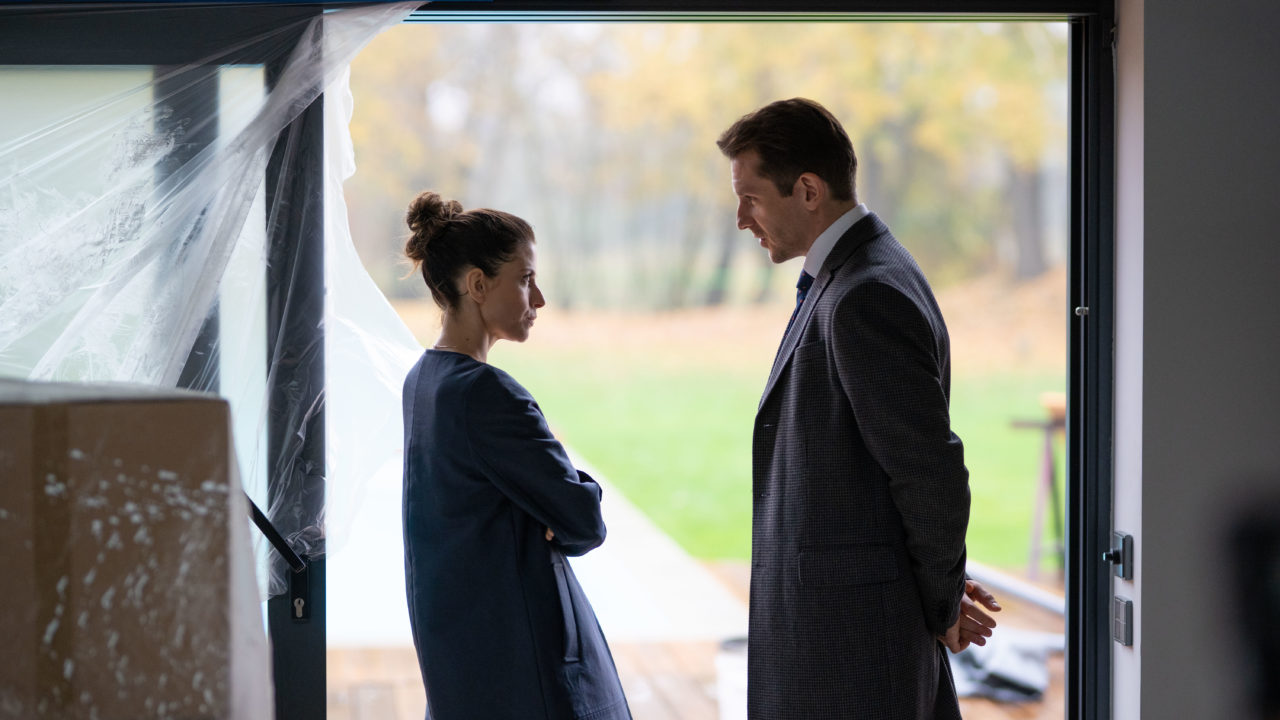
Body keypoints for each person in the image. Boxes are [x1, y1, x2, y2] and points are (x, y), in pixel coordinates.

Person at [716, 98, 1001, 719]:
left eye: (751, 198)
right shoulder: (855, 273)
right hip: (848, 641)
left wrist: (942, 602)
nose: (741, 219)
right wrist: (939, 590)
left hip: (851, 657)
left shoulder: (864, 293)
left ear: (808, 190)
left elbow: (929, 474)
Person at [400, 192, 631, 720]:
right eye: (525, 279)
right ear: (478, 285)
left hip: (466, 659)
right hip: (526, 665)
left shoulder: (422, 380)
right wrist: (572, 492)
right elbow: (583, 522)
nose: (539, 299)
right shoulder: (487, 393)